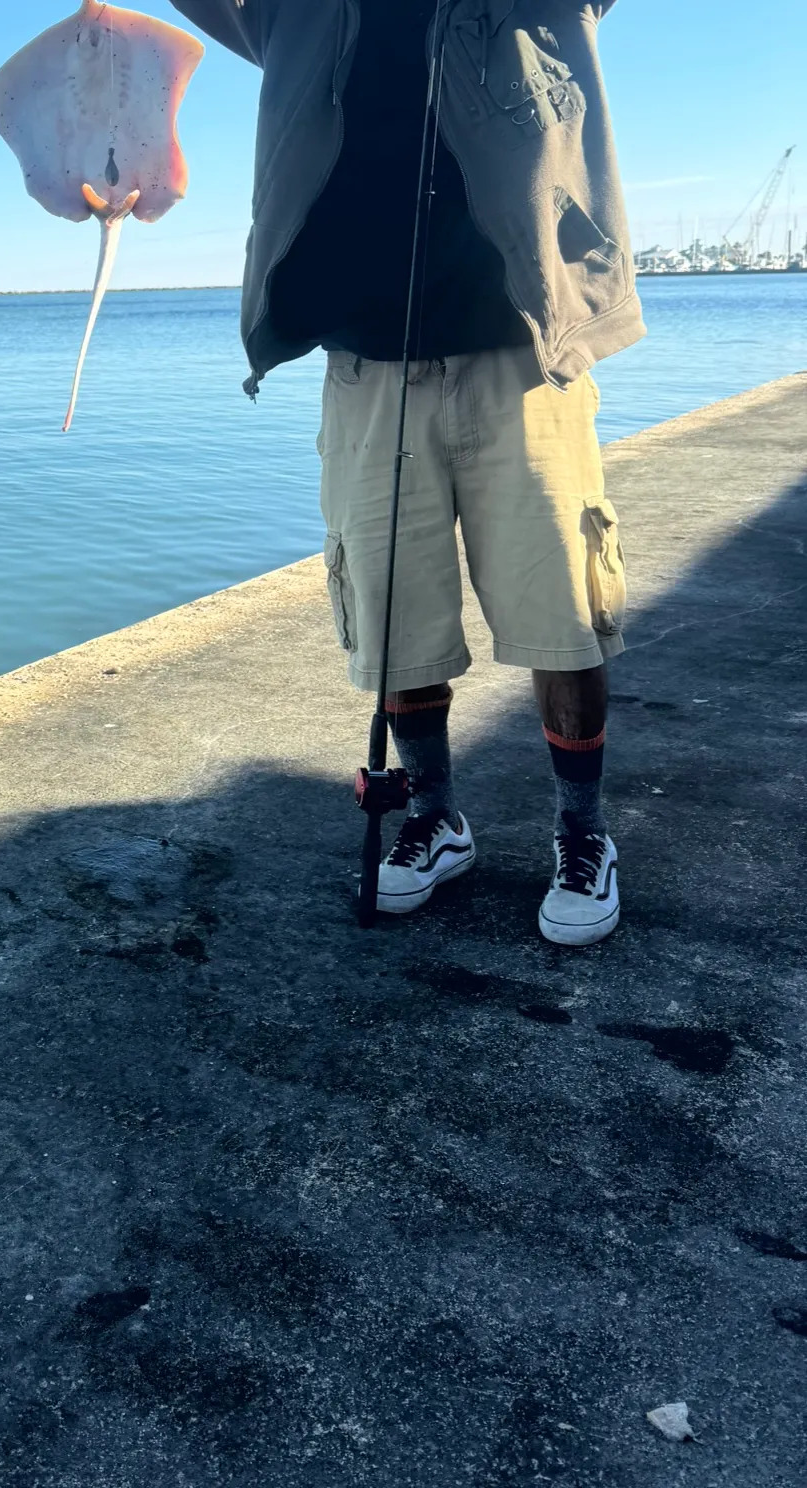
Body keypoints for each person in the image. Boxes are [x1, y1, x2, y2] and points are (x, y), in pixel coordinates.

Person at [170, 0, 640, 945]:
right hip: (366, 371)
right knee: (395, 630)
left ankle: (583, 835)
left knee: (564, 622)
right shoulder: (287, 12)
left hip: (525, 356)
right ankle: (434, 817)